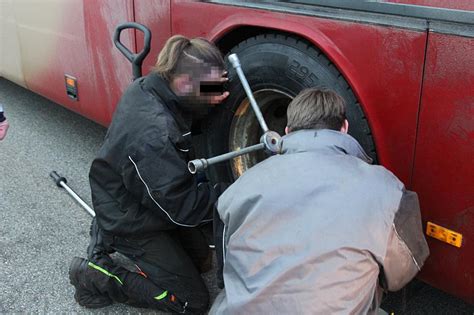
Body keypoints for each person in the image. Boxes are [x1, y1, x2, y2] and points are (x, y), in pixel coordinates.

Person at [210, 88, 430, 314]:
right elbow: (401, 272)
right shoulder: (386, 188)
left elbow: (228, 268)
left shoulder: (242, 186)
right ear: (344, 128)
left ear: (287, 131)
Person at [69, 35, 229, 313]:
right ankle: (96, 274)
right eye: (207, 88)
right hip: (129, 217)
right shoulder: (153, 134)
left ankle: (106, 233)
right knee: (193, 302)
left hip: (137, 191)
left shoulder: (151, 85)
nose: (212, 94)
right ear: (184, 83)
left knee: (203, 261)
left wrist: (206, 95)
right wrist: (230, 195)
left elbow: (186, 108)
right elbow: (182, 210)